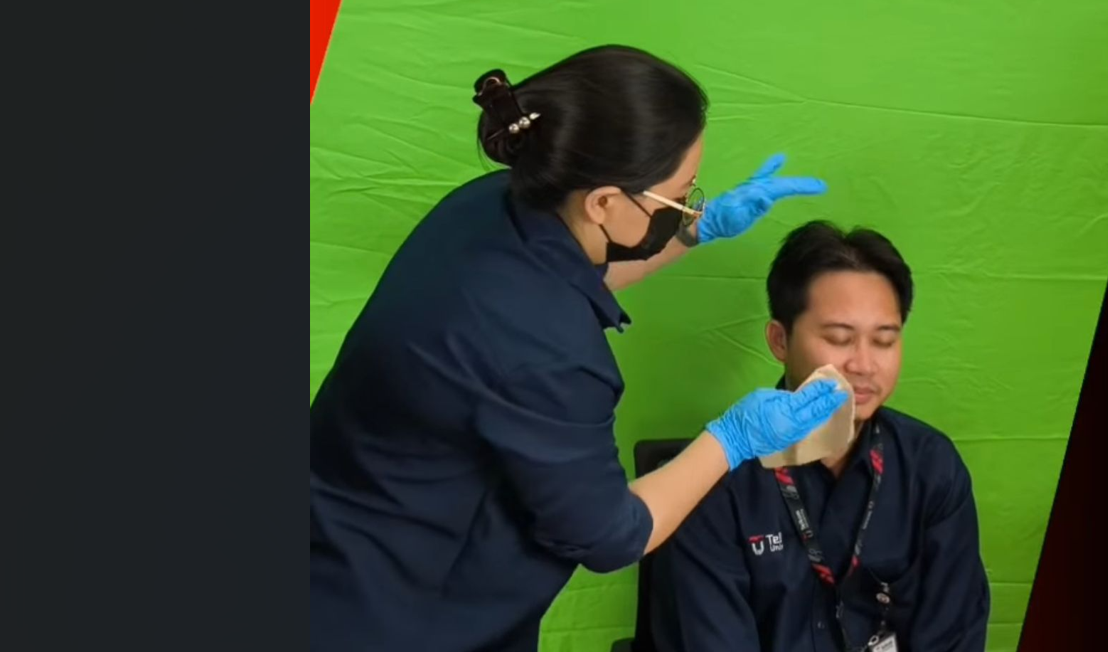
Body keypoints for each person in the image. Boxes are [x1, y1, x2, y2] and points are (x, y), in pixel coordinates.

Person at [310, 45, 850, 652]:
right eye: (680, 195)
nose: (688, 203)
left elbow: (569, 276)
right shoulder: (551, 355)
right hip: (398, 610)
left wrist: (694, 231)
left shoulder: (490, 204)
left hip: (332, 532)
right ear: (603, 202)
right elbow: (611, 536)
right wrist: (733, 438)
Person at [651, 221, 991, 652]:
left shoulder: (931, 467)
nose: (864, 365)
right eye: (839, 338)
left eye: (884, 341)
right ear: (780, 340)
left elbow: (955, 634)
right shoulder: (710, 478)